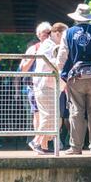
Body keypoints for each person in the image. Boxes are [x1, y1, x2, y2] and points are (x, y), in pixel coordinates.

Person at [56, 4, 91, 155]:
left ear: (76, 18)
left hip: (75, 78)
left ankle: (76, 147)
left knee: (76, 112)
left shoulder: (68, 33)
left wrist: (61, 74)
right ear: (89, 17)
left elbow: (61, 57)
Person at [24, 22, 54, 155]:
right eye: (44, 33)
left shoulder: (53, 47)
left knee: (49, 116)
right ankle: (38, 143)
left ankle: (44, 144)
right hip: (35, 86)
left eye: (49, 32)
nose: (47, 35)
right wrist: (36, 56)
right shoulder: (34, 48)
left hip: (49, 85)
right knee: (38, 115)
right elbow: (23, 68)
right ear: (38, 35)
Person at [51, 23, 70, 149]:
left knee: (65, 117)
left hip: (65, 89)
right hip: (58, 90)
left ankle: (65, 140)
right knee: (58, 116)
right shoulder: (51, 49)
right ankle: (56, 141)